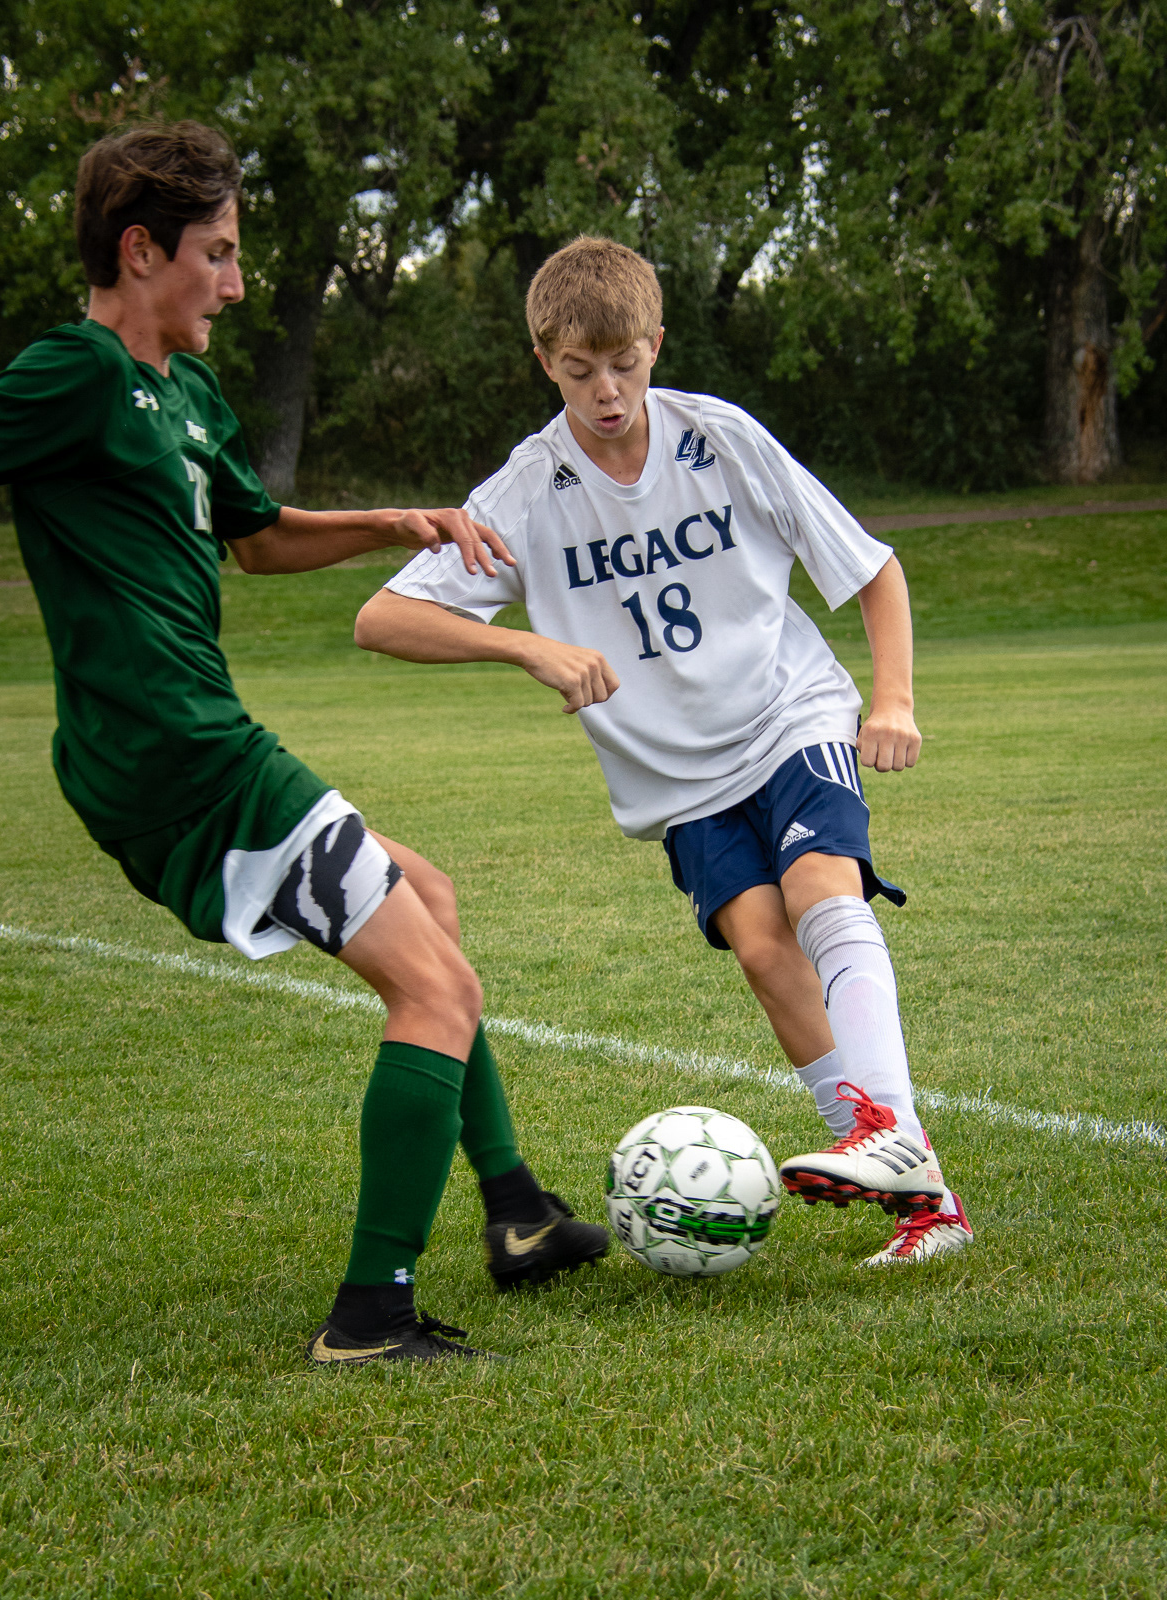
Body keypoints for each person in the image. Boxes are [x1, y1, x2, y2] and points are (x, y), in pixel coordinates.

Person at [0, 123, 608, 1364]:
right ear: (139, 249)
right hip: (175, 751)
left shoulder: (188, 393)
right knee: (434, 990)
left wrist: (395, 521)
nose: (232, 282)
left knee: (428, 901)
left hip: (188, 745)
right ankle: (371, 1316)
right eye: (215, 254)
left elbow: (258, 537)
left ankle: (517, 1212)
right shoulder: (74, 372)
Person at [355, 235, 973, 1268]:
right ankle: (931, 1208)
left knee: (820, 889)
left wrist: (894, 700)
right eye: (578, 370)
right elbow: (382, 618)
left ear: (655, 344)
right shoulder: (527, 489)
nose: (605, 391)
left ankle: (887, 1137)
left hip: (787, 714)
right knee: (764, 949)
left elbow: (872, 569)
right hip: (678, 779)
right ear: (544, 362)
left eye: (624, 364)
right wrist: (526, 645)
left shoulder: (720, 438)